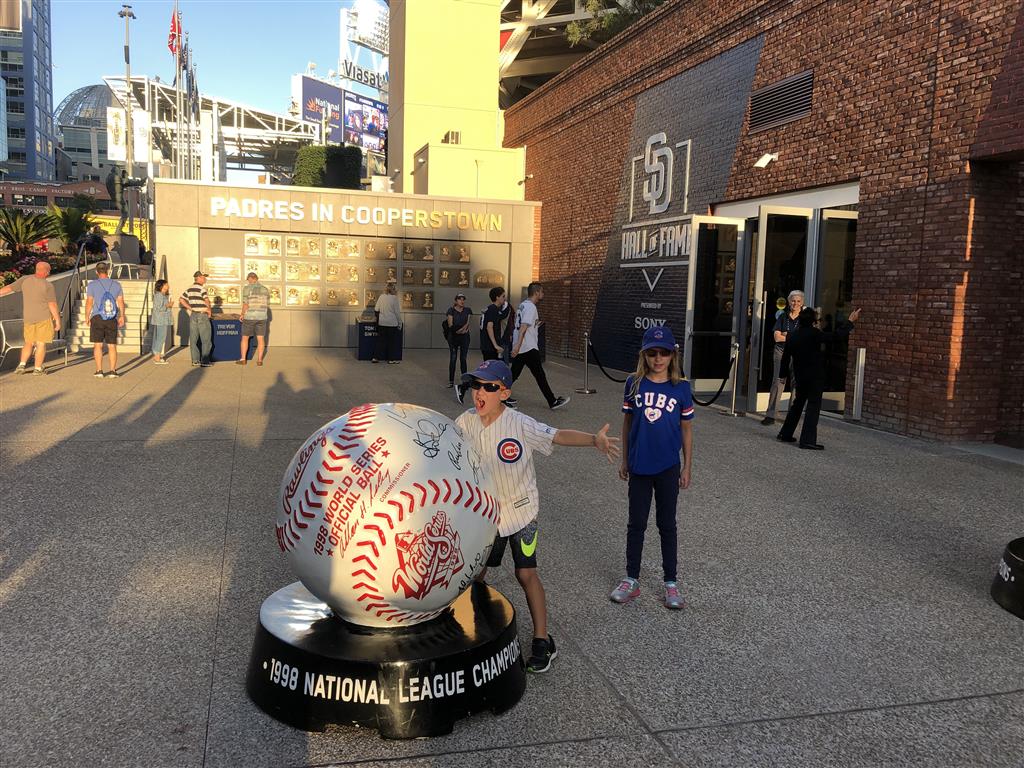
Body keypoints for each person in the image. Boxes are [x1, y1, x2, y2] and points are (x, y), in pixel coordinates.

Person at [456, 360, 619, 672]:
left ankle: (543, 640)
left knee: (525, 573)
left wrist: (592, 440)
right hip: (487, 515)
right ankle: (467, 625)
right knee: (475, 572)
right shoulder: (465, 422)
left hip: (521, 512)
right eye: (475, 385)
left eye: (489, 387)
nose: (479, 392)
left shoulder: (519, 424)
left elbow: (557, 435)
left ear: (504, 393)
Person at [610, 326, 694, 609]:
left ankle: (671, 582)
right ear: (644, 355)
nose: (658, 359)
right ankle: (631, 578)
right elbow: (627, 423)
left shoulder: (681, 387)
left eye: (664, 353)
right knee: (636, 523)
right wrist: (625, 459)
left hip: (668, 466)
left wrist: (687, 466)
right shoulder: (633, 383)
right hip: (640, 465)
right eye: (652, 353)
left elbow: (686, 429)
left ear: (673, 355)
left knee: (667, 524)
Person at [777, 306, 862, 450]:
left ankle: (785, 433)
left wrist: (782, 375)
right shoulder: (815, 334)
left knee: (798, 404)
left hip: (800, 375)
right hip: (815, 376)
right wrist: (850, 321)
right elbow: (836, 336)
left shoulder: (792, 336)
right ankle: (807, 440)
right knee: (813, 406)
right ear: (813, 321)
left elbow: (785, 357)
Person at [510, 282, 569, 410]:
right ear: (536, 293)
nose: (543, 294)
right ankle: (552, 401)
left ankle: (499, 395)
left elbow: (522, 325)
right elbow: (523, 327)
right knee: (538, 375)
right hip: (528, 347)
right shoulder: (531, 307)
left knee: (514, 374)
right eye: (542, 292)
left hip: (523, 346)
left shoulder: (522, 305)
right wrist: (518, 346)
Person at [0, 260, 61, 375]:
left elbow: (9, 288)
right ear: (46, 272)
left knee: (28, 342)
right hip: (44, 318)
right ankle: (37, 369)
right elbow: (52, 304)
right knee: (41, 343)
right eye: (49, 271)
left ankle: (21, 365)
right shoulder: (48, 285)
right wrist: (57, 320)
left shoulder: (25, 279)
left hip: (28, 318)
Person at [762, 290, 804, 426]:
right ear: (789, 302)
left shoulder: (804, 319)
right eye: (793, 300)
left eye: (798, 301)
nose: (795, 303)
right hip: (781, 352)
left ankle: (792, 417)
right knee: (777, 382)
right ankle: (771, 415)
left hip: (798, 354)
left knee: (796, 384)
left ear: (802, 303)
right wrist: (793, 337)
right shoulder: (783, 316)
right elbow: (777, 337)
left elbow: (804, 339)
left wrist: (786, 335)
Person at [84, 261, 126, 378]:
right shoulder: (116, 284)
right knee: (112, 345)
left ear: (96, 272)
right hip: (111, 317)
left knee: (98, 345)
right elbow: (120, 301)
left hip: (97, 317)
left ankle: (99, 371)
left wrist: (87, 316)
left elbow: (89, 302)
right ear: (108, 271)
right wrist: (122, 316)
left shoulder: (92, 285)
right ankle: (113, 371)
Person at [179, 270, 213, 367]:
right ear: (198, 278)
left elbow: (181, 299)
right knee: (206, 339)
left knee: (193, 340)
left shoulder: (189, 289)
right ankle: (205, 361)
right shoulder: (202, 289)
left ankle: (195, 360)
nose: (205, 279)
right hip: (202, 314)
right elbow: (206, 300)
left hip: (193, 315)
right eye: (203, 277)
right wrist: (209, 310)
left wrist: (190, 308)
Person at [238, 271, 270, 366]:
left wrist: (242, 314)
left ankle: (243, 359)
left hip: (250, 317)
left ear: (251, 278)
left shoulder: (247, 288)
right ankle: (259, 360)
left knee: (245, 338)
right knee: (261, 338)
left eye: (248, 279)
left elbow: (245, 303)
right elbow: (267, 303)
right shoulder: (265, 289)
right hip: (262, 317)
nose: (248, 281)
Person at [445, 292, 472, 386]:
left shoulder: (468, 310)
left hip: (464, 337)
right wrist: (459, 331)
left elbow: (468, 323)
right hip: (453, 337)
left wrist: (463, 330)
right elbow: (450, 325)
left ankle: (465, 380)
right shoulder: (451, 310)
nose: (462, 301)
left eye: (463, 299)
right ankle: (451, 381)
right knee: (453, 358)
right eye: (460, 299)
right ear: (456, 301)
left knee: (463, 358)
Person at [373, 281, 401, 364]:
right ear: (393, 289)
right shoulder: (394, 298)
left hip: (382, 322)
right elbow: (397, 313)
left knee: (380, 341)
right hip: (392, 323)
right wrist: (400, 323)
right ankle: (391, 359)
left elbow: (376, 309)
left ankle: (375, 357)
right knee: (391, 342)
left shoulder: (381, 297)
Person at [480, 286, 506, 362]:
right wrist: (495, 345)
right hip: (490, 347)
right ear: (497, 297)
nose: (504, 298)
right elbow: (489, 327)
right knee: (492, 367)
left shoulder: (492, 309)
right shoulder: (493, 309)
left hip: (489, 346)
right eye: (503, 296)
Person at [150, 279, 173, 364]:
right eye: (166, 284)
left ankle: (156, 355)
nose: (168, 285)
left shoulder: (162, 295)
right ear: (162, 286)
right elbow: (159, 308)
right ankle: (157, 358)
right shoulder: (159, 295)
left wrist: (168, 305)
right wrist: (168, 305)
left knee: (158, 337)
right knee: (161, 337)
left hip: (161, 319)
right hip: (161, 320)